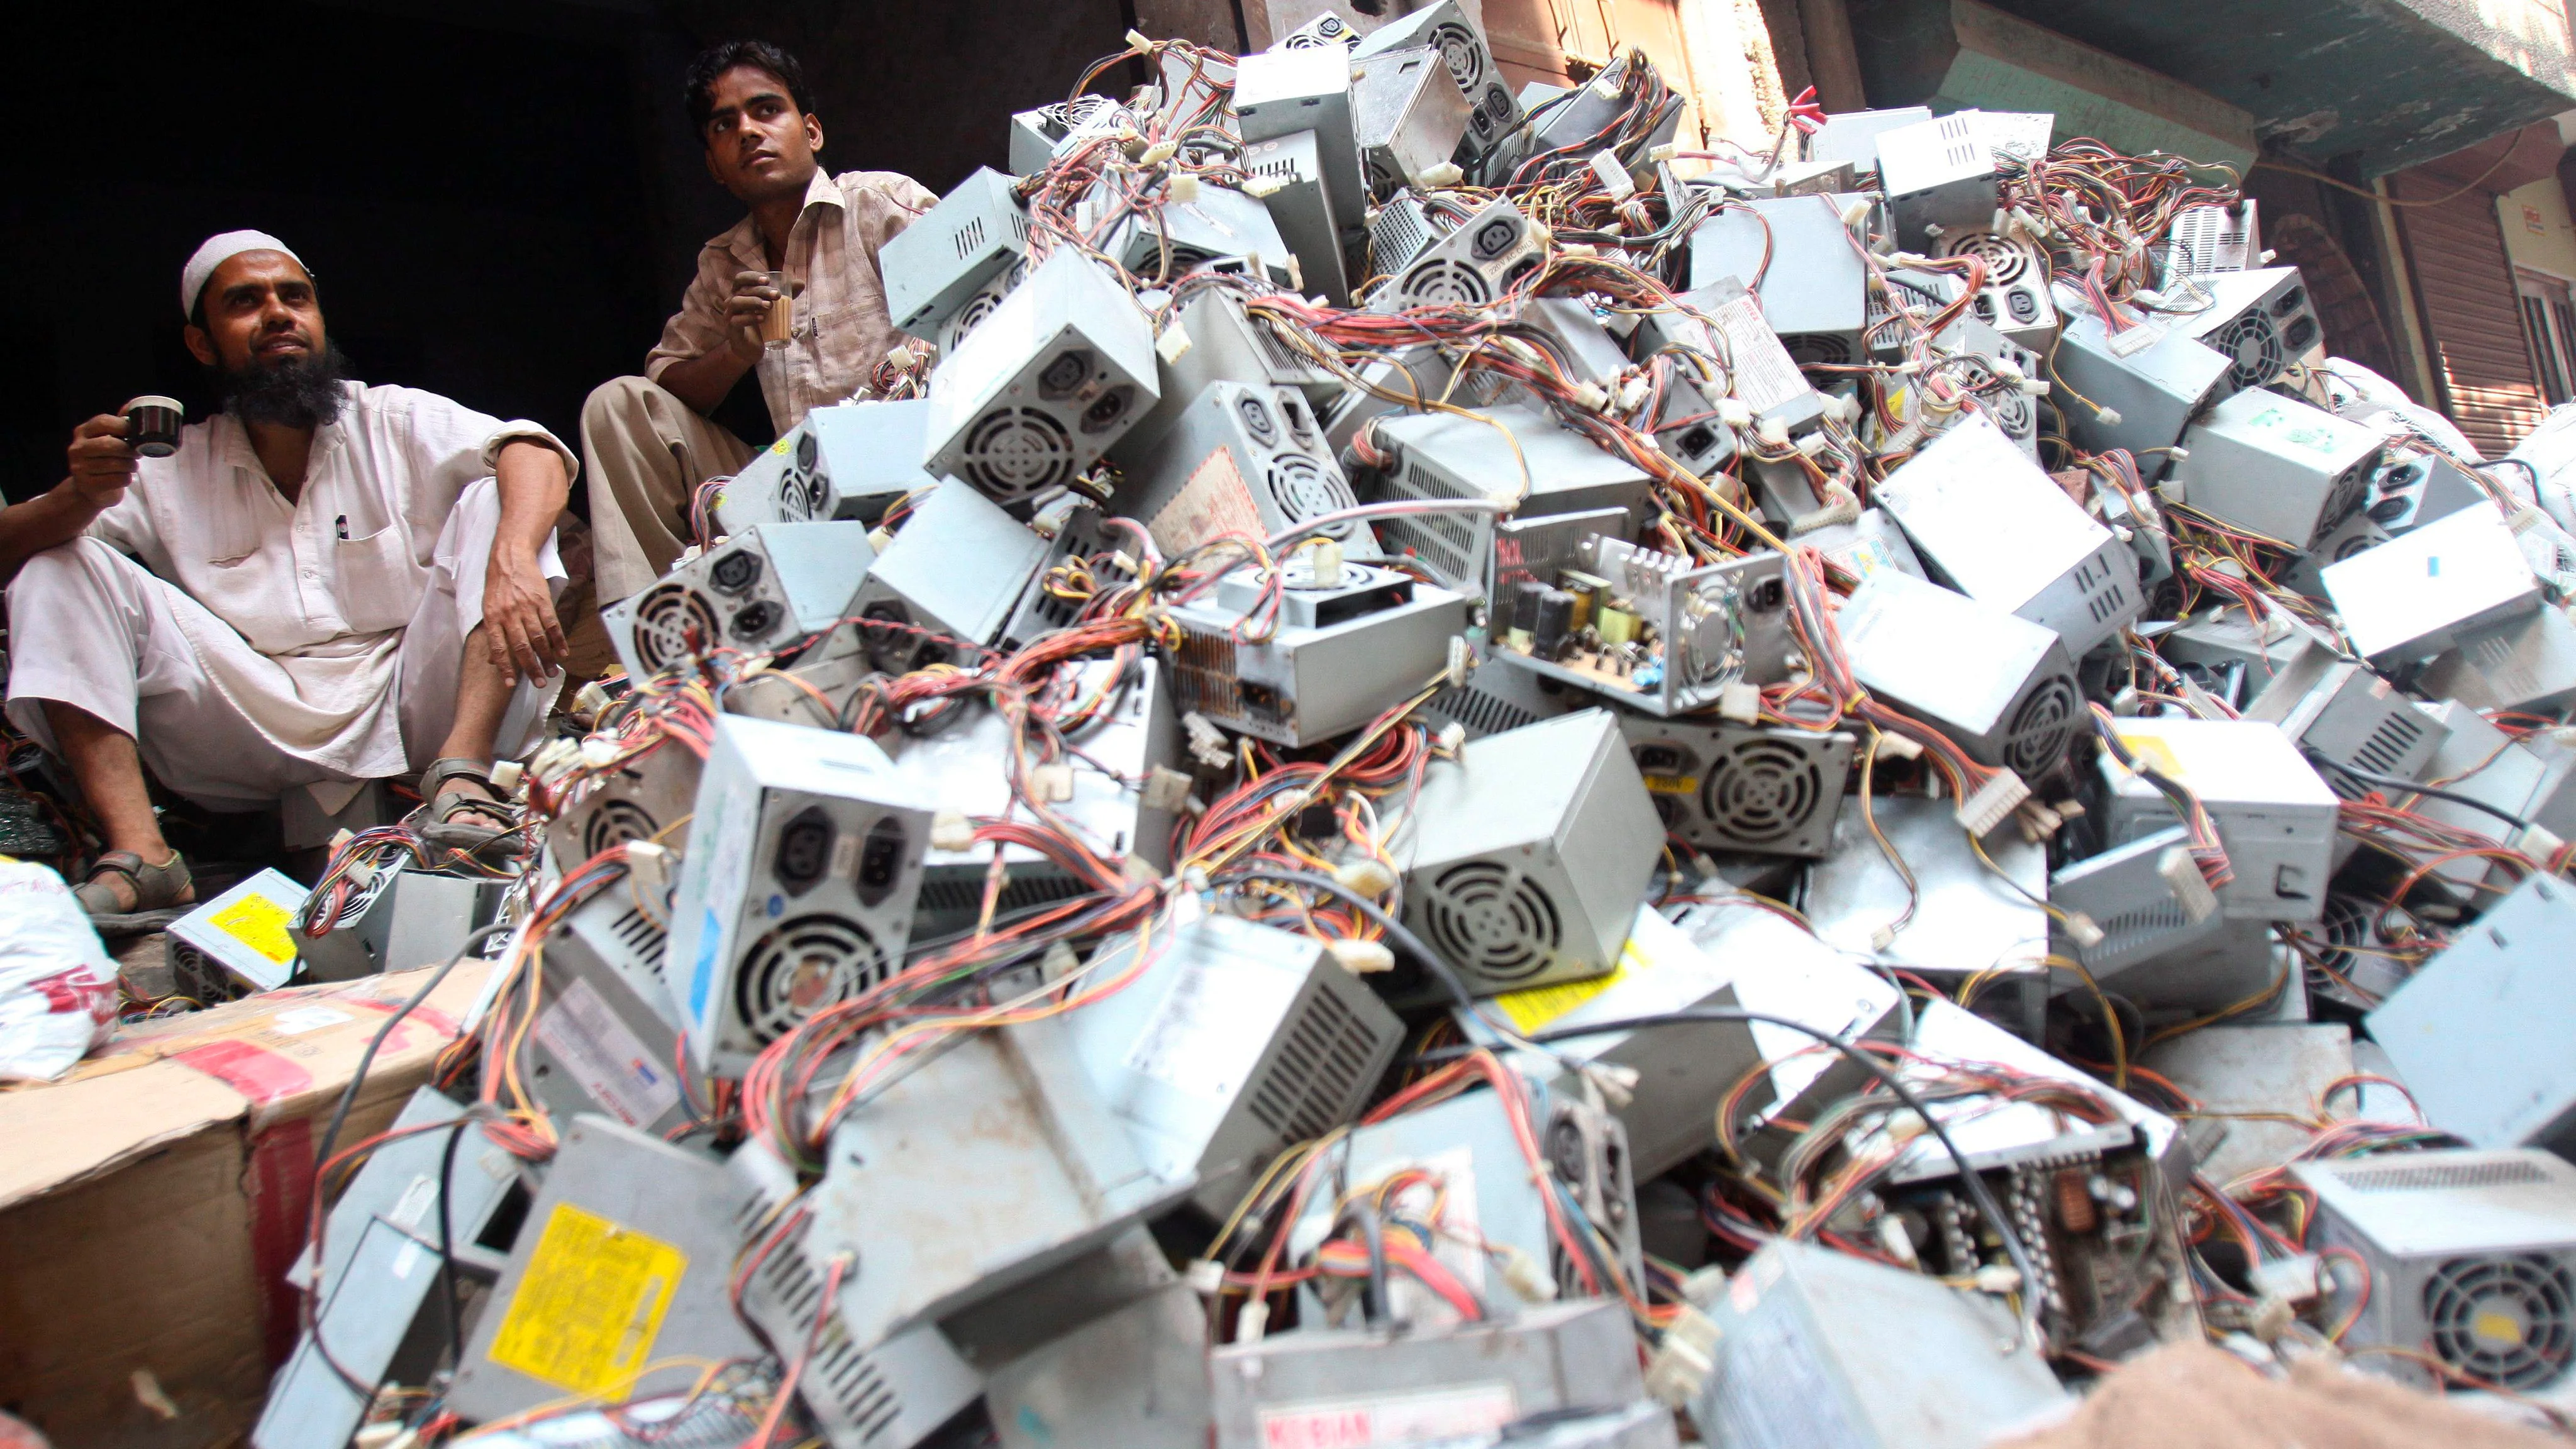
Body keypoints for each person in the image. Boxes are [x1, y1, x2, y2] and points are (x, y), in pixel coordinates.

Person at [1, 231, 573, 926]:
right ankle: (145, 856)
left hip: (419, 697)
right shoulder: (172, 465)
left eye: (294, 297)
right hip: (258, 720)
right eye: (246, 303)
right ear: (202, 344)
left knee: (497, 492)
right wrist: (78, 498)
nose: (277, 314)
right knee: (59, 562)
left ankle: (464, 776)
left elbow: (534, 451)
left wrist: (512, 559)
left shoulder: (390, 416)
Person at [580, 40, 936, 607]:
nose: (748, 131)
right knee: (618, 406)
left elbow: (982, 303)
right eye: (725, 125)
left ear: (811, 132)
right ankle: (660, 632)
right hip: (793, 494)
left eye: (767, 110)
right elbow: (664, 384)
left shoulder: (879, 203)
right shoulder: (722, 265)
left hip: (909, 465)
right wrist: (736, 352)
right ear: (713, 165)